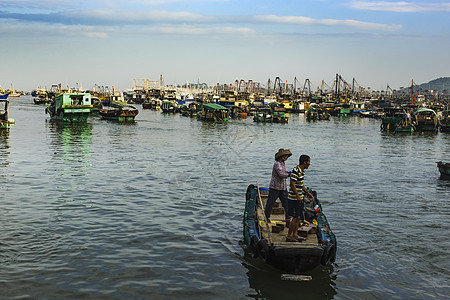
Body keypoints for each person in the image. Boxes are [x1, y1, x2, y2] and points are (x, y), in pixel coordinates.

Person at [287, 154, 313, 242]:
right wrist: (298, 196)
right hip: (293, 198)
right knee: (295, 217)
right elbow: (292, 184)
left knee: (298, 217)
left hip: (299, 198)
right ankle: (289, 235)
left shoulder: (301, 171)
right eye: (308, 161)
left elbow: (300, 185)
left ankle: (295, 234)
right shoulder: (296, 170)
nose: (309, 164)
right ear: (304, 162)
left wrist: (307, 192)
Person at [264, 148, 292, 221]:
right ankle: (266, 217)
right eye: (285, 156)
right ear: (280, 156)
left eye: (287, 156)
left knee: (286, 203)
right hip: (275, 187)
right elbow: (281, 174)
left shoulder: (282, 163)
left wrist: (289, 172)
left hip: (283, 187)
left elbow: (284, 171)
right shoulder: (277, 164)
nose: (286, 157)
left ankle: (288, 217)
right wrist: (289, 174)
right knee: (270, 203)